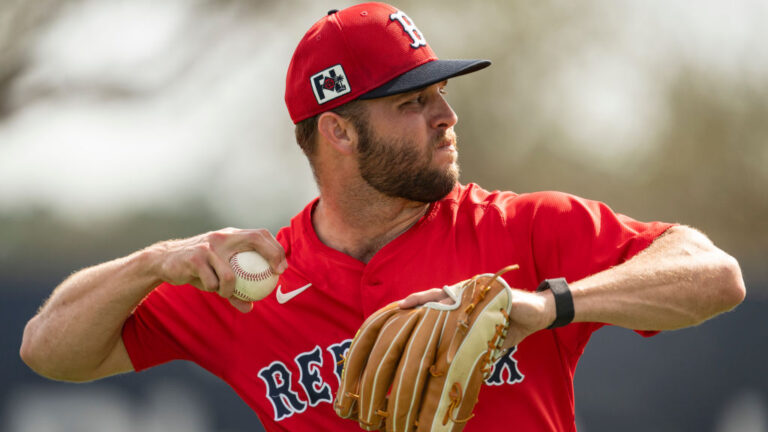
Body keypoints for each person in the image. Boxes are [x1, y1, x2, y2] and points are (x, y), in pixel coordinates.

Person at [20, 3, 745, 431]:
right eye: (413, 102)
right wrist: (155, 262)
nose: (447, 116)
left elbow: (715, 277)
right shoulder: (253, 283)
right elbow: (50, 353)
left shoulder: (523, 230)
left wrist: (545, 304)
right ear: (337, 131)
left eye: (439, 94)